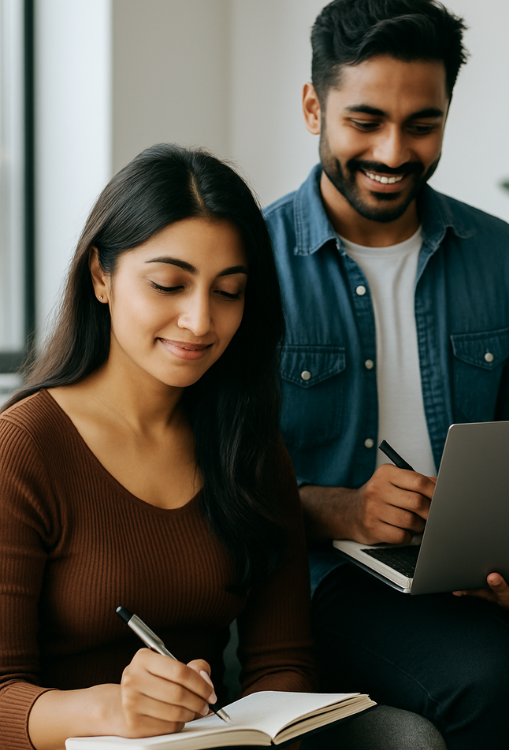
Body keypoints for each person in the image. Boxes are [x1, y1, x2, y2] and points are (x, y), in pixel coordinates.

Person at [263, 1, 509, 748]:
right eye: (364, 121)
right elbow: (205, 480)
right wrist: (339, 510)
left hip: (484, 575)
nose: (393, 151)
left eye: (421, 125)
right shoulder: (249, 264)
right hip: (324, 582)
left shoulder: (503, 259)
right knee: (486, 679)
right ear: (313, 107)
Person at [0, 144, 318, 750]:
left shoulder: (248, 446)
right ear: (101, 276)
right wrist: (113, 710)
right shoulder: (24, 450)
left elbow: (283, 664)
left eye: (228, 292)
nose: (200, 321)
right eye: (169, 284)